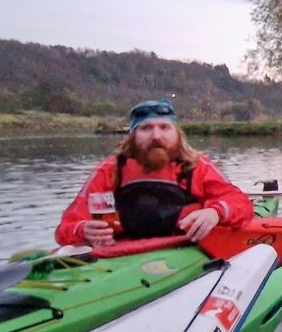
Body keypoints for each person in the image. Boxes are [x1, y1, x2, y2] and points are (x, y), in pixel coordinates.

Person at [56, 99, 254, 247]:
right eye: (146, 128)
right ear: (132, 136)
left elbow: (242, 205)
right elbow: (65, 229)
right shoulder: (110, 170)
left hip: (185, 250)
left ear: (177, 134)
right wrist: (82, 230)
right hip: (122, 254)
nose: (156, 136)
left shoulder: (197, 166)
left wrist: (215, 212)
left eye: (164, 127)